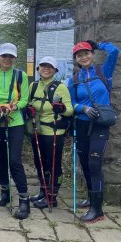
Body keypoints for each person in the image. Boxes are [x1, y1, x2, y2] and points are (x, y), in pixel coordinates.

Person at [68, 40, 119, 223]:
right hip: (82, 125)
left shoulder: (103, 72)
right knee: (85, 163)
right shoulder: (73, 80)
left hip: (100, 125)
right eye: (79, 55)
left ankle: (97, 209)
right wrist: (83, 108)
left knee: (95, 163)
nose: (83, 57)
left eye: (87, 53)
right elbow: (71, 104)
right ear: (76, 59)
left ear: (92, 54)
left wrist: (99, 44)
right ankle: (91, 198)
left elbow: (115, 51)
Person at [0, 42, 30, 219]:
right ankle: (5, 192)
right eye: (4, 56)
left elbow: (25, 98)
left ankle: (24, 199)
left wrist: (14, 107)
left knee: (14, 160)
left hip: (15, 122)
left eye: (10, 56)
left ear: (14, 58)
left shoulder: (21, 75)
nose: (7, 59)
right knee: (0, 158)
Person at [26, 56, 73, 209]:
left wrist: (62, 109)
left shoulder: (61, 87)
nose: (46, 69)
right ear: (38, 68)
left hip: (54, 131)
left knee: (53, 165)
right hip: (36, 130)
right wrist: (28, 109)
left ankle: (52, 197)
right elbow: (26, 103)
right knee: (40, 162)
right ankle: (43, 190)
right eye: (43, 66)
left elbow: (70, 109)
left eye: (49, 66)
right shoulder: (33, 86)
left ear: (55, 70)